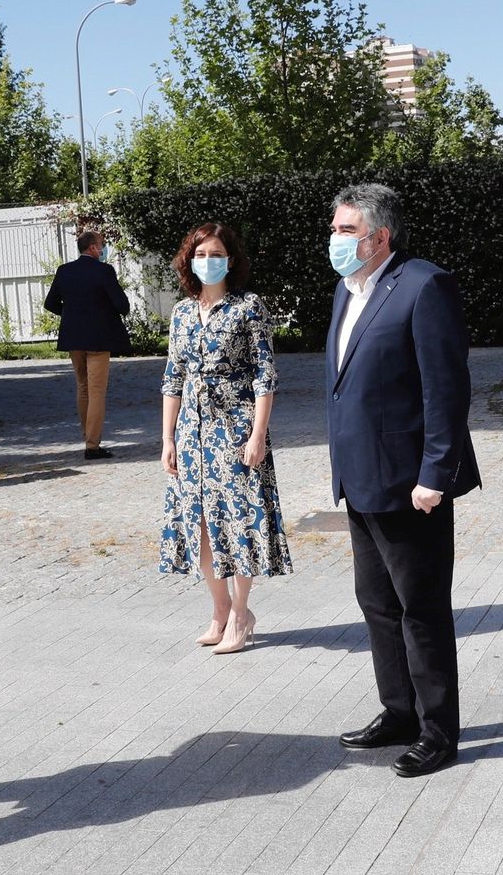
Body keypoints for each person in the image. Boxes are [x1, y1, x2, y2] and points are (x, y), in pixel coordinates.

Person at [326, 183, 480, 779]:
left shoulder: (423, 285)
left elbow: (446, 388)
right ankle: (399, 711)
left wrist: (435, 474)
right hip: (361, 477)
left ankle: (439, 729)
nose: (335, 240)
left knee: (421, 609)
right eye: (336, 230)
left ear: (379, 237)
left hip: (411, 484)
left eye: (346, 231)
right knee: (377, 604)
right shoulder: (349, 289)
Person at [159, 222, 292, 654]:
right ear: (189, 261)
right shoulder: (181, 312)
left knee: (238, 523)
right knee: (198, 524)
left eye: (215, 254)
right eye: (200, 255)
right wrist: (167, 438)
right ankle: (218, 610)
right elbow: (172, 378)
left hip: (234, 431)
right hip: (191, 434)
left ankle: (240, 613)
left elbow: (264, 376)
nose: (207, 262)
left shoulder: (248, 307)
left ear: (230, 260)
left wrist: (258, 436)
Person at [45, 228, 132, 459]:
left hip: (74, 338)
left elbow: (50, 303)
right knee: (96, 391)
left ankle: (88, 436)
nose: (103, 249)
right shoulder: (104, 271)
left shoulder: (64, 271)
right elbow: (121, 305)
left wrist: (72, 314)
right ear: (92, 248)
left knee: (82, 387)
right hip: (99, 338)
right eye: (101, 244)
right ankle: (92, 445)